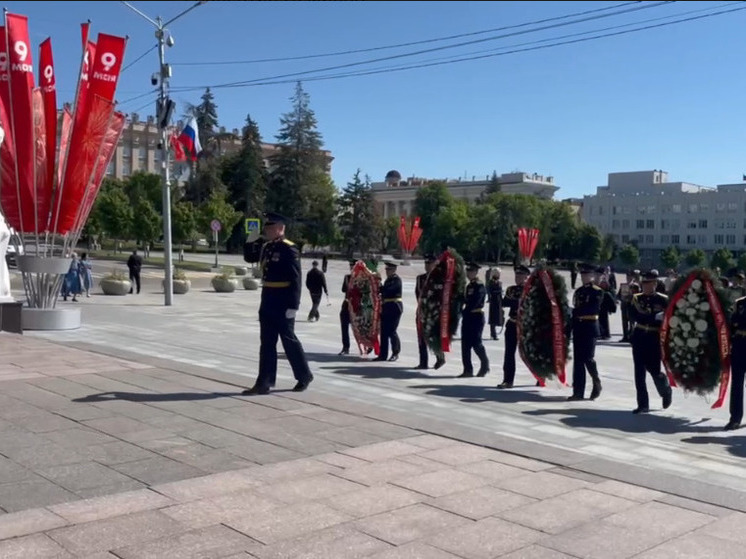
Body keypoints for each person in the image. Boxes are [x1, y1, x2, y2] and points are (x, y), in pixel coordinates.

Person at [243, 212, 313, 395]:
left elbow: (296, 279)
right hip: (268, 298)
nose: (268, 230)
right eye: (267, 228)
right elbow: (249, 258)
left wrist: (293, 306)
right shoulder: (266, 247)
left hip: (283, 301)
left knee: (288, 340)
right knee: (266, 342)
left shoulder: (289, 249)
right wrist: (251, 241)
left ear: (281, 228)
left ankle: (304, 375)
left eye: (271, 227)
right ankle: (264, 382)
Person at [628, 271, 672, 414]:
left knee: (654, 370)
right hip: (640, 335)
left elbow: (668, 319)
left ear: (655, 284)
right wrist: (654, 317)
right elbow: (634, 316)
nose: (646, 286)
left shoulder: (663, 300)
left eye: (649, 283)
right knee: (639, 372)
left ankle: (665, 390)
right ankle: (643, 404)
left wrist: (654, 319)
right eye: (644, 283)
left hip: (654, 337)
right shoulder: (636, 298)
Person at [568, 263, 605, 401]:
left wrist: (574, 311)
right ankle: (578, 391)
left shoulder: (597, 291)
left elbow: (592, 309)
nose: (584, 277)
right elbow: (576, 308)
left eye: (587, 275)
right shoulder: (578, 291)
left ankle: (596, 382)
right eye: (582, 275)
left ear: (592, 276)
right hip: (579, 326)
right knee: (578, 361)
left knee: (588, 358)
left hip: (590, 326)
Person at [497, 265, 529, 389]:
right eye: (516, 275)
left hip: (525, 325)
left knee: (530, 353)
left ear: (527, 276)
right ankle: (508, 380)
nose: (518, 277)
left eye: (521, 275)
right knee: (509, 353)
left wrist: (515, 302)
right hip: (512, 323)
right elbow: (505, 302)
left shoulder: (531, 289)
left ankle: (540, 376)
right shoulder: (511, 289)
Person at [458, 262, 490, 378]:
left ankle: (485, 365)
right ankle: (467, 369)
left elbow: (475, 301)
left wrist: (464, 311)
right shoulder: (469, 286)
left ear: (476, 272)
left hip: (476, 316)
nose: (469, 273)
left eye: (471, 271)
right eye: (468, 271)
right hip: (468, 317)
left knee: (476, 343)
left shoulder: (479, 286)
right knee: (465, 344)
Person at [415, 255, 442, 369]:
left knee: (433, 336)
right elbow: (417, 292)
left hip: (434, 312)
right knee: (421, 337)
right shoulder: (420, 278)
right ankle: (423, 362)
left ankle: (440, 357)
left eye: (430, 264)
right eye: (426, 264)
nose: (427, 266)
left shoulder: (439, 279)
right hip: (422, 311)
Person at [374, 261, 403, 362]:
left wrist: (381, 288)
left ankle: (395, 352)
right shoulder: (388, 280)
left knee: (392, 330)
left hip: (395, 307)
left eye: (389, 269)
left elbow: (390, 291)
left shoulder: (397, 280)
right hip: (386, 307)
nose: (387, 271)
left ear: (394, 269)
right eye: (386, 269)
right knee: (384, 332)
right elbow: (383, 290)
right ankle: (383, 355)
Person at [725, 294, 746, 431]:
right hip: (739, 346)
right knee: (737, 384)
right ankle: (735, 418)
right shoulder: (739, 303)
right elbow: (731, 323)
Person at [617, 270, 641, 343]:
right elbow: (618, 295)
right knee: (624, 322)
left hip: (632, 305)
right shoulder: (623, 285)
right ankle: (625, 336)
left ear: (633, 277)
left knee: (632, 322)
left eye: (630, 277)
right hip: (624, 305)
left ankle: (631, 336)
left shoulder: (636, 286)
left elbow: (638, 295)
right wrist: (620, 298)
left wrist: (631, 296)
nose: (628, 278)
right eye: (627, 277)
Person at [338, 260, 355, 355]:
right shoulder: (347, 277)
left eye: (353, 266)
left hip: (358, 307)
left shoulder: (362, 278)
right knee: (344, 327)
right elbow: (343, 289)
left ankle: (368, 346)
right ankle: (345, 347)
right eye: (351, 267)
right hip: (347, 305)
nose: (352, 268)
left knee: (362, 329)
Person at [487, 268, 504, 341]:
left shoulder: (498, 282)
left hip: (498, 301)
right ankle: (493, 334)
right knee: (493, 318)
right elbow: (491, 291)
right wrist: (499, 290)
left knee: (497, 317)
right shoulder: (492, 282)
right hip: (494, 301)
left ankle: (493, 333)